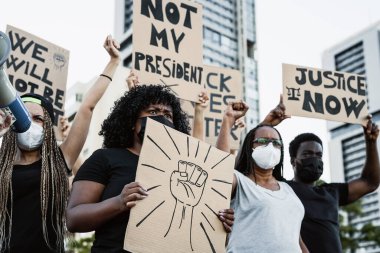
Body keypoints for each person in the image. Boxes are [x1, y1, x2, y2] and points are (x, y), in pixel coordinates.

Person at [66, 85, 235, 253]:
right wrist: (118, 202)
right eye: (153, 112)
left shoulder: (186, 173)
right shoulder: (105, 158)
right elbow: (74, 219)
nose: (162, 118)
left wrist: (217, 222)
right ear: (132, 122)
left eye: (168, 115)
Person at [0, 34, 120, 253]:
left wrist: (113, 63)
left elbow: (87, 107)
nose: (30, 124)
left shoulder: (60, 158)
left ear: (48, 128)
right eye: (23, 117)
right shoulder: (2, 166)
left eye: (38, 119)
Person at [263, 96, 380, 253]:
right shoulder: (280, 188)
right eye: (307, 154)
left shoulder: (332, 192)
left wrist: (371, 142)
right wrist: (267, 124)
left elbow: (370, 182)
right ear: (293, 161)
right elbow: (246, 167)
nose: (314, 159)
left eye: (319, 155)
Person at [216, 102, 309, 253]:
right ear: (249, 147)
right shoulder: (240, 182)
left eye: (276, 143)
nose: (270, 147)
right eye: (263, 142)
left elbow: (295, 237)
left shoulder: (287, 189)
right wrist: (228, 120)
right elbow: (220, 170)